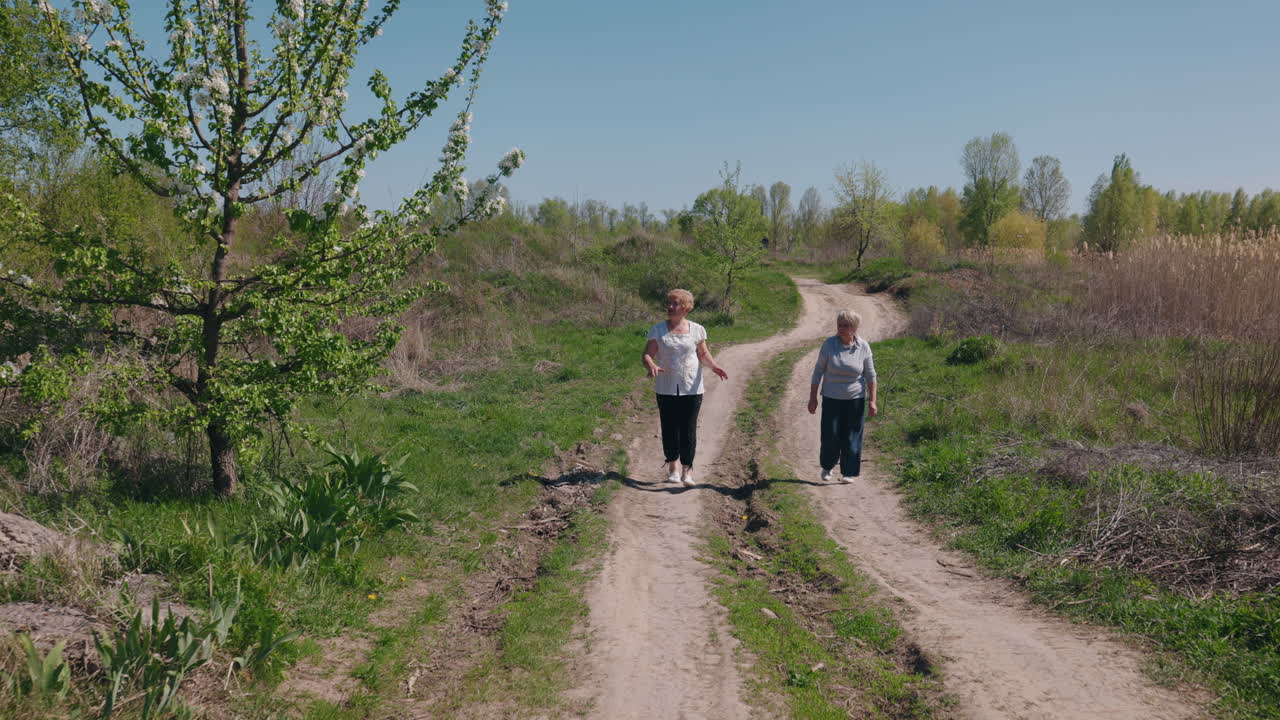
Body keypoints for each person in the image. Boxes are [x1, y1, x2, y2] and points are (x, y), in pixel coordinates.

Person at [642, 289, 728, 486]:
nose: (670, 307)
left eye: (675, 304)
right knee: (669, 428)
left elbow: (703, 353)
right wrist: (652, 365)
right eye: (669, 303)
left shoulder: (697, 330)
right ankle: (673, 467)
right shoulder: (658, 330)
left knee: (688, 429)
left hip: (692, 388)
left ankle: (687, 472)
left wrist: (714, 366)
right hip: (666, 387)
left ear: (686, 308)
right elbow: (646, 355)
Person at [807, 309, 878, 483]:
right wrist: (813, 397)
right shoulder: (829, 345)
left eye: (846, 325)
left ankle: (849, 472)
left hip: (855, 399)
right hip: (832, 398)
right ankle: (828, 466)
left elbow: (871, 375)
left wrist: (873, 401)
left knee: (852, 435)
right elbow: (818, 372)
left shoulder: (863, 347)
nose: (841, 328)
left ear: (854, 327)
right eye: (839, 325)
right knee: (830, 435)